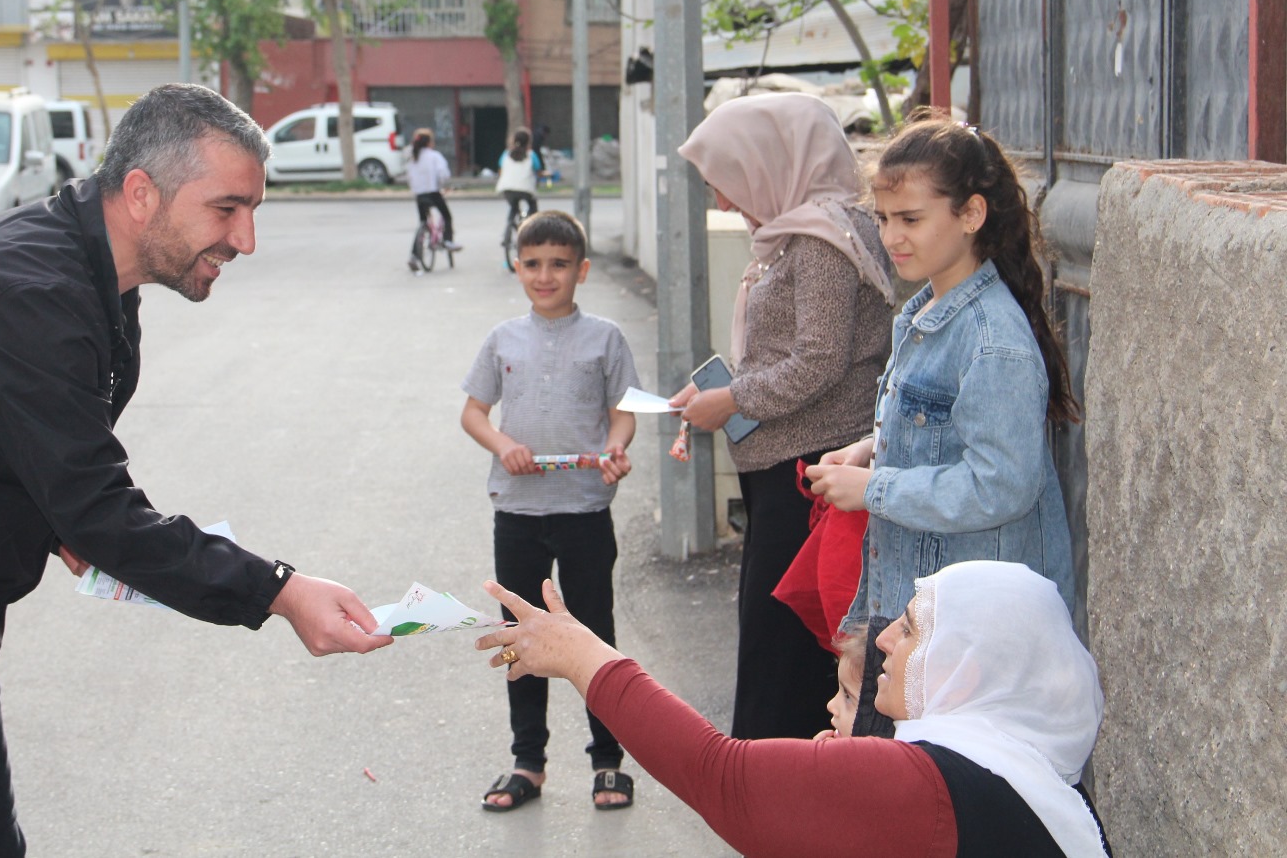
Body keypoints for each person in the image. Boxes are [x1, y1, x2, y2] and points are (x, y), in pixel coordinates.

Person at [0, 84, 393, 858]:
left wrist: (56, 520)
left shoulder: (94, 275)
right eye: (227, 209)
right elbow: (98, 507)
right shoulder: (29, 291)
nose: (245, 239)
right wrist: (279, 590)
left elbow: (23, 446)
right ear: (141, 194)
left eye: (253, 210)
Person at [476, 560, 1111, 857]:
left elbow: (721, 776)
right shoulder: (1025, 775)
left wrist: (582, 656)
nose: (886, 639)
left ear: (966, 671)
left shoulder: (930, 783)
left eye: (914, 629)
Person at [804, 118, 1079, 684]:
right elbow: (946, 431)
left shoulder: (991, 337)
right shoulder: (927, 309)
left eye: (911, 219)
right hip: (924, 613)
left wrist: (875, 488)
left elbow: (1001, 485)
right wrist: (873, 448)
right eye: (883, 219)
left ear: (971, 215)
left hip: (969, 636)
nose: (891, 237)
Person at [667, 94, 894, 740]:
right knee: (785, 653)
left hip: (810, 478)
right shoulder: (802, 233)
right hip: (793, 473)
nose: (723, 202)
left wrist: (734, 399)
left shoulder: (822, 240)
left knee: (783, 661)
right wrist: (721, 391)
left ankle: (777, 784)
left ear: (770, 162)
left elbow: (818, 360)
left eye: (728, 182)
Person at [460, 211, 641, 812]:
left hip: (584, 508)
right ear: (518, 268)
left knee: (595, 633)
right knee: (521, 635)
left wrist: (615, 447)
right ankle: (527, 762)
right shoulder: (502, 339)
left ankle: (608, 761)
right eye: (533, 264)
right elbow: (473, 413)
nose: (546, 276)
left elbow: (623, 412)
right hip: (518, 512)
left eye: (559, 264)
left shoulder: (605, 338)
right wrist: (502, 445)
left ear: (581, 271)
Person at [405, 128, 461, 270]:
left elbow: (409, 177)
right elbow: (443, 174)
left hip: (419, 195)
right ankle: (447, 240)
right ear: (430, 142)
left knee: (422, 223)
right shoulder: (435, 156)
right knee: (447, 216)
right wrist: (441, 185)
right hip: (433, 193)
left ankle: (414, 256)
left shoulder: (413, 158)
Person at [495, 127, 545, 220]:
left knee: (514, 207)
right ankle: (532, 221)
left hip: (506, 188)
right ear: (529, 142)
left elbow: (500, 171)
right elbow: (538, 172)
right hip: (526, 189)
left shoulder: (506, 154)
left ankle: (511, 222)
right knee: (532, 204)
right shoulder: (531, 155)